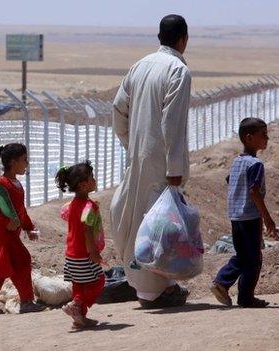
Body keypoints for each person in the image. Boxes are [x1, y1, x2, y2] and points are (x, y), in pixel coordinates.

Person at [111, 14, 192, 308]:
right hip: (161, 163)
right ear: (183, 39)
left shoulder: (139, 66)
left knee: (136, 217)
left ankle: (147, 289)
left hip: (138, 157)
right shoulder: (178, 70)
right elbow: (172, 123)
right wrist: (174, 168)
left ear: (160, 37)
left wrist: (131, 144)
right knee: (162, 225)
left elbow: (119, 110)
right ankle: (160, 289)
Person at [210, 118, 278, 308]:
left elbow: (229, 180)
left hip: (235, 216)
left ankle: (234, 290)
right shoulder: (255, 164)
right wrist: (267, 218)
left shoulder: (237, 161)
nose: (267, 138)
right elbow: (254, 191)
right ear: (249, 138)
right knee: (253, 258)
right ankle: (230, 287)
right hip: (250, 217)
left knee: (244, 255)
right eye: (263, 134)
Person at [0, 143, 45, 314]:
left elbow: (21, 210)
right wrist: (6, 222)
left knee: (2, 269)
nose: (27, 163)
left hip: (12, 235)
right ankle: (26, 301)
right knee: (21, 262)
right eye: (24, 160)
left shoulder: (15, 184)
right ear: (13, 162)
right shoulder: (2, 184)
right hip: (4, 235)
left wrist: (29, 227)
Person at [56, 161, 106, 329]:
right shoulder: (89, 206)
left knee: (79, 284)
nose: (95, 180)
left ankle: (80, 318)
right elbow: (86, 229)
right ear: (84, 185)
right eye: (92, 177)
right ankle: (78, 305)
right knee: (99, 280)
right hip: (84, 254)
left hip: (71, 255)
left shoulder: (71, 205)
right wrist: (93, 252)